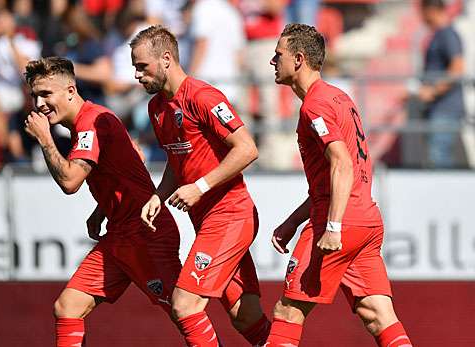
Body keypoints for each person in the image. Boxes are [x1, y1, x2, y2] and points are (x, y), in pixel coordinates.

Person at [264, 23, 412, 346]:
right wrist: (291, 222)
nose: (272, 62)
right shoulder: (339, 98)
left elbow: (342, 163)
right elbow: (335, 175)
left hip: (338, 222)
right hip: (366, 220)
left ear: (299, 59)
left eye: (278, 56)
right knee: (379, 315)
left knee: (288, 312)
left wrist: (332, 226)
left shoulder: (314, 105)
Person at [23, 57, 182, 347]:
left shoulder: (91, 123)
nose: (39, 104)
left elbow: (71, 182)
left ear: (71, 90)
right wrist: (102, 209)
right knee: (68, 307)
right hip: (121, 232)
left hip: (145, 232)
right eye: (35, 96)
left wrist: (45, 140)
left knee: (184, 312)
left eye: (46, 94)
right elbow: (128, 165)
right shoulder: (90, 122)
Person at [131, 25, 271, 346]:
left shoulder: (203, 96)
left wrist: (201, 186)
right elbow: (177, 159)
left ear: (166, 59)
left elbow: (247, 148)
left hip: (230, 216)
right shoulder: (157, 108)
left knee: (185, 304)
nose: (137, 75)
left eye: (142, 66)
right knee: (244, 315)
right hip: (207, 220)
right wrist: (158, 195)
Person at [418, 0, 465, 168]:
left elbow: (457, 69)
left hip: (445, 108)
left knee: (439, 161)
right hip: (438, 108)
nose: (420, 16)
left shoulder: (447, 34)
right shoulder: (439, 34)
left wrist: (432, 91)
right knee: (436, 159)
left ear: (431, 10)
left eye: (421, 11)